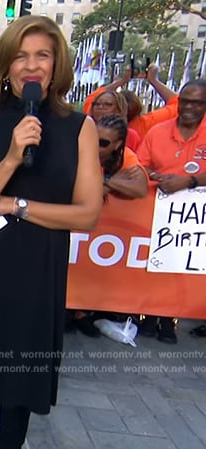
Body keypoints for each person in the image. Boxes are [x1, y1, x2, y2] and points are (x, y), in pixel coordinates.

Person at [0, 15, 103, 449]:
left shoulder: (81, 128)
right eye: (20, 56)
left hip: (41, 273)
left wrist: (16, 205)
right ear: (6, 65)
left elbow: (87, 214)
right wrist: (12, 159)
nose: (31, 65)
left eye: (42, 55)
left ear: (56, 65)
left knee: (20, 399)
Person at [137, 79, 206, 344]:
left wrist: (189, 182)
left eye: (197, 102)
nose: (189, 107)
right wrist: (157, 176)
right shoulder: (157, 131)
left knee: (180, 269)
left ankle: (170, 319)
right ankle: (148, 316)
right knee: (153, 265)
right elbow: (139, 165)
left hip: (195, 221)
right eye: (185, 100)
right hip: (157, 210)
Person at [70, 114, 148, 337]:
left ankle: (84, 311)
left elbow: (140, 188)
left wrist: (103, 181)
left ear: (118, 145)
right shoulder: (76, 149)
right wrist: (113, 182)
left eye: (103, 143)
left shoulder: (127, 157)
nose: (96, 146)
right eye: (92, 139)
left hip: (101, 235)